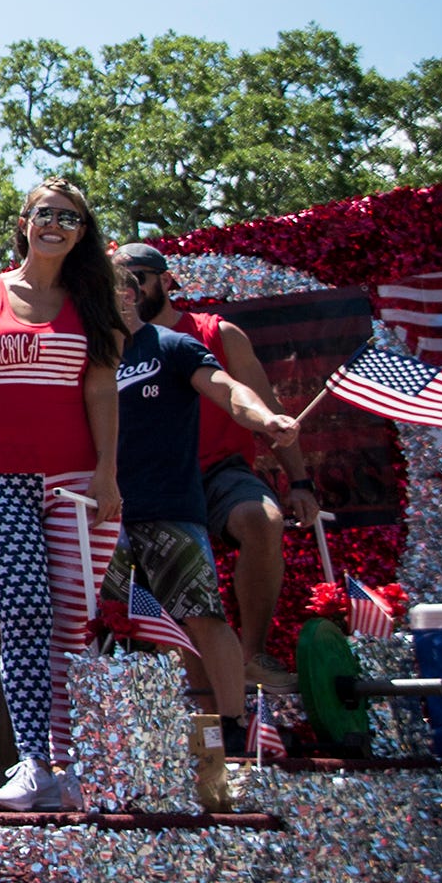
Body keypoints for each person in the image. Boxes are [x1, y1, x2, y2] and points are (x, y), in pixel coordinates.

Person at [0, 179, 128, 812]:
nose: (55, 224)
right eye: (45, 213)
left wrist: (109, 473)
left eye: (69, 217)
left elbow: (100, 393)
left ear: (82, 232)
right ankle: (33, 762)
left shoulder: (94, 301)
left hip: (78, 482)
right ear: (24, 222)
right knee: (26, 615)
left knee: (72, 626)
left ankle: (74, 765)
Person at [101, 265, 303, 733]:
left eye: (105, 288)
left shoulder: (172, 345)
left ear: (129, 294)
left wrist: (264, 419)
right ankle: (146, 736)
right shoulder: (86, 358)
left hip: (170, 506)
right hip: (107, 513)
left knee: (202, 617)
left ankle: (230, 728)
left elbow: (228, 390)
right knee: (121, 627)